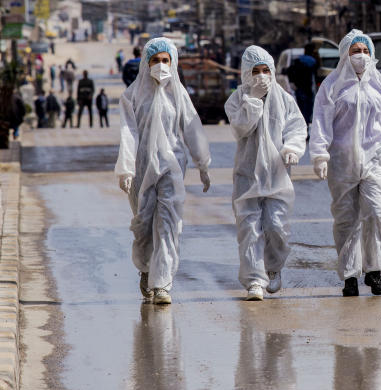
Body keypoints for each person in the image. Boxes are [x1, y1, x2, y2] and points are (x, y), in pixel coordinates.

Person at [310, 30, 381, 297]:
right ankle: (349, 276)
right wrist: (320, 154)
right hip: (341, 163)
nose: (361, 56)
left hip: (374, 161)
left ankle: (375, 270)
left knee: (378, 213)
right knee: (346, 219)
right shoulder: (331, 85)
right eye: (356, 51)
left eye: (365, 51)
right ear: (345, 54)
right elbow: (321, 121)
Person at [115, 37, 211, 305]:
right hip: (140, 168)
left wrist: (203, 164)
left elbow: (193, 129)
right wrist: (125, 168)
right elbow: (128, 132)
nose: (160, 65)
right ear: (146, 64)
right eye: (155, 61)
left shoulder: (180, 96)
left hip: (172, 168)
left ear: (173, 63)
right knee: (143, 225)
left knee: (168, 225)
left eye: (165, 61)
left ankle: (162, 284)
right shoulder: (131, 96)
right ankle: (146, 269)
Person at [224, 46, 308, 301]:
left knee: (276, 227)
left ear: (272, 71)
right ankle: (254, 282)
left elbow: (296, 126)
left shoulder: (283, 98)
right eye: (255, 71)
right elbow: (241, 129)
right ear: (245, 74)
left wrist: (292, 148)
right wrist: (253, 102)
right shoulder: (237, 99)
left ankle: (274, 269)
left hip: (277, 174)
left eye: (265, 71)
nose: (261, 76)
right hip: (247, 175)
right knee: (249, 229)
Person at [284, 44, 318, 123]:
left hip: (299, 88)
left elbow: (289, 71)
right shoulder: (312, 61)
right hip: (308, 89)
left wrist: (292, 83)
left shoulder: (298, 60)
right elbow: (316, 74)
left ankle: (302, 125)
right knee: (308, 110)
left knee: (301, 109)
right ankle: (306, 125)